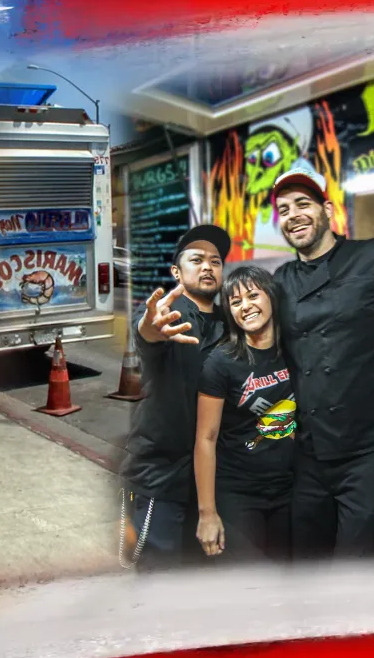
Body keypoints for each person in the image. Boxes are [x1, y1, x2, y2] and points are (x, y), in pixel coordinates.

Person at [269, 160, 374, 560]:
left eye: (303, 203)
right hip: (310, 454)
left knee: (359, 571)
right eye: (284, 210)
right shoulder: (281, 280)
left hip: (371, 453)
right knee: (305, 563)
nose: (294, 215)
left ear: (327, 211)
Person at [119, 224, 232, 571]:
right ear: (176, 271)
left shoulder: (230, 321)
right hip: (161, 479)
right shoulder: (170, 314)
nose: (207, 267)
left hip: (214, 480)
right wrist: (151, 326)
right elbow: (149, 331)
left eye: (215, 261)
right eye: (196, 259)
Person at [194, 266, 296, 563]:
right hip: (238, 491)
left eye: (253, 295)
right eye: (236, 302)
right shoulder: (221, 362)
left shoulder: (296, 350)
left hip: (290, 487)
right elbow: (206, 439)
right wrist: (207, 513)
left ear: (272, 298)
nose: (246, 306)